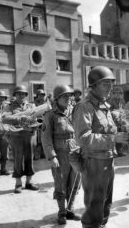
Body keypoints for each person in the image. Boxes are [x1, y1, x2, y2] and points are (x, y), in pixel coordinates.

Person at [72, 66, 129, 228]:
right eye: (105, 84)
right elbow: (83, 138)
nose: (110, 87)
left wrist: (122, 127)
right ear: (94, 86)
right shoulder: (84, 106)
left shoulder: (104, 106)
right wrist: (113, 138)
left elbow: (108, 129)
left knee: (105, 205)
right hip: (93, 163)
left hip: (107, 161)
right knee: (94, 208)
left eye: (111, 83)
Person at [41, 85, 81, 225]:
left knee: (75, 181)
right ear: (57, 99)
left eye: (70, 96)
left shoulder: (74, 112)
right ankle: (62, 212)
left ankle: (70, 209)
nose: (69, 99)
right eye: (65, 96)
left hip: (75, 151)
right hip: (60, 154)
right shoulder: (50, 115)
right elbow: (46, 138)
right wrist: (52, 156)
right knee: (61, 183)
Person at [2, 85, 39, 193]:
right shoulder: (10, 107)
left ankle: (29, 182)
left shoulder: (30, 106)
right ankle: (18, 183)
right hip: (16, 138)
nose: (21, 96)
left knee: (29, 159)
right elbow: (5, 118)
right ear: (15, 95)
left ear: (26, 95)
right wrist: (20, 118)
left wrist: (34, 123)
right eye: (19, 94)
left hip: (30, 136)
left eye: (23, 94)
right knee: (18, 160)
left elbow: (36, 118)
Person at [109, 86, 127, 157]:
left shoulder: (122, 101)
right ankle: (113, 151)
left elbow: (124, 109)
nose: (118, 95)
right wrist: (114, 113)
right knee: (113, 135)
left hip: (120, 120)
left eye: (120, 93)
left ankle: (120, 151)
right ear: (113, 94)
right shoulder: (109, 101)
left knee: (120, 135)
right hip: (111, 120)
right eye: (116, 93)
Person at [0, 91, 10, 177]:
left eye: (3, 98)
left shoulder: (7, 109)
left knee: (5, 152)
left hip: (5, 133)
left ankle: (3, 169)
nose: (1, 99)